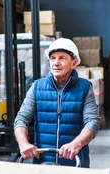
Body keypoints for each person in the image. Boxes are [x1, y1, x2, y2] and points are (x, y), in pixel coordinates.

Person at [13, 38, 100, 167]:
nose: (56, 63)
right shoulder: (37, 87)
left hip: (74, 161)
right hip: (43, 161)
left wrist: (75, 145)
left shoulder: (85, 88)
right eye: (53, 58)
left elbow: (92, 122)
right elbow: (21, 119)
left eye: (62, 58)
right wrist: (23, 144)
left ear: (74, 63)